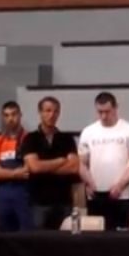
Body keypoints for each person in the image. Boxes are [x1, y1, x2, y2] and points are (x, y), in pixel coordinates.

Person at [78, 92, 129, 231]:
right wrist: (88, 182)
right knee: (95, 236)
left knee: (120, 237)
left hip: (122, 194)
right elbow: (81, 163)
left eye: (107, 111)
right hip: (96, 195)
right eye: (100, 112)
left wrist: (120, 185)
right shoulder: (88, 132)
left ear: (116, 108)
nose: (103, 116)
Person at [21, 97, 79, 230]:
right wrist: (61, 161)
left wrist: (44, 166)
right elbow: (34, 167)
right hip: (38, 202)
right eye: (47, 111)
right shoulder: (31, 138)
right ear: (40, 112)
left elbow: (74, 167)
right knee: (38, 239)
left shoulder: (67, 139)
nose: (52, 115)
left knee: (65, 240)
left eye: (55, 111)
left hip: (63, 201)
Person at [0, 101, 32, 232]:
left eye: (14, 114)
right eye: (6, 115)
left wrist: (2, 172)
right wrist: (15, 174)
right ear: (3, 118)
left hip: (25, 193)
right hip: (3, 194)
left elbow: (29, 170)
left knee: (28, 233)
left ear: (20, 115)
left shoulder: (30, 139)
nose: (10, 118)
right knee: (5, 234)